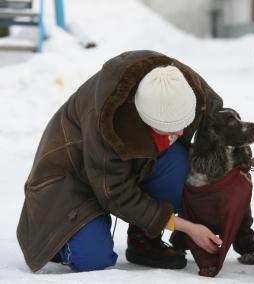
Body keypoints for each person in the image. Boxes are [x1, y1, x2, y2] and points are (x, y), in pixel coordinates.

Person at [16, 50, 224, 273]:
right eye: (170, 127)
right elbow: (117, 195)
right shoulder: (107, 123)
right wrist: (187, 227)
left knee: (177, 161)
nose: (181, 131)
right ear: (145, 117)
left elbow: (217, 117)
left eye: (185, 121)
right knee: (93, 259)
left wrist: (241, 140)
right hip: (73, 181)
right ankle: (63, 241)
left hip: (114, 171)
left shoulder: (175, 82)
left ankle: (144, 239)